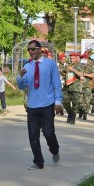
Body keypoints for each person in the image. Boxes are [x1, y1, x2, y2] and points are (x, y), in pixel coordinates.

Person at [16, 40, 63, 170]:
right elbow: (21, 86)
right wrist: (19, 77)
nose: (30, 52)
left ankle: (54, 149)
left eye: (33, 49)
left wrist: (58, 101)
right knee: (33, 136)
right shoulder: (28, 66)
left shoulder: (50, 64)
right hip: (32, 105)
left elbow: (56, 83)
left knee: (48, 133)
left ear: (40, 49)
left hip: (47, 103)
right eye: (29, 50)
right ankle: (38, 162)